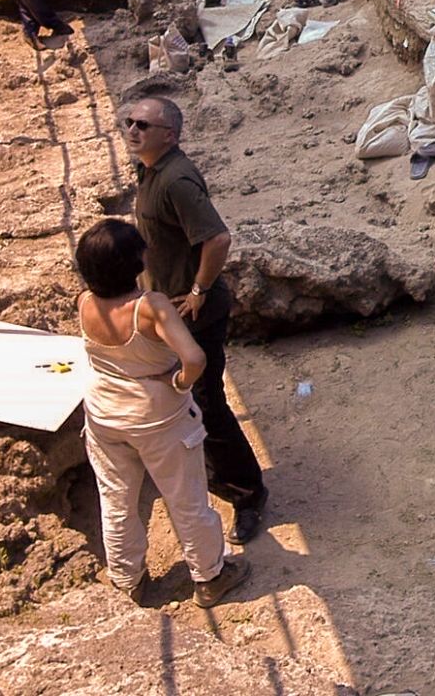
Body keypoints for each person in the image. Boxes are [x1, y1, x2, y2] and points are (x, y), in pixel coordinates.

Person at [73, 218, 250, 608]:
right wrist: (181, 383)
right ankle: (210, 576)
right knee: (186, 500)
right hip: (158, 420)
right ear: (134, 263)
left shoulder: (85, 302)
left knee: (116, 500)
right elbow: (194, 358)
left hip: (104, 415)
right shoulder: (150, 308)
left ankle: (127, 581)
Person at [122, 97, 269, 546]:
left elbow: (218, 238)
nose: (132, 130)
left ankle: (248, 493)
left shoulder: (177, 180)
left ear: (169, 134)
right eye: (128, 122)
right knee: (186, 399)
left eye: (143, 125)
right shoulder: (150, 172)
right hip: (169, 310)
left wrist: (199, 292)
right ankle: (215, 476)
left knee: (207, 402)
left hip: (194, 313)